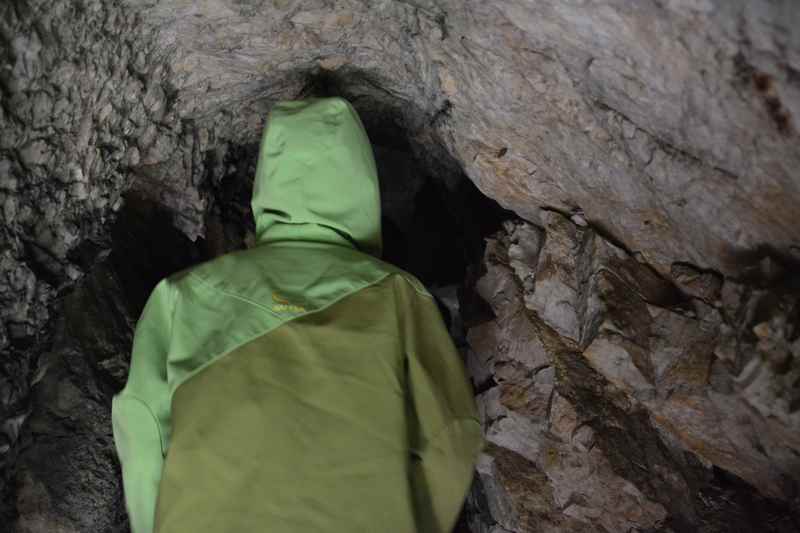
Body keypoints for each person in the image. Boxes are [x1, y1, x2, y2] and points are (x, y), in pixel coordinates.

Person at [111, 97, 484, 533]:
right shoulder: (399, 296)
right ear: (360, 187)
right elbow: (453, 431)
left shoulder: (182, 296)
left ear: (266, 186)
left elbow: (141, 425)